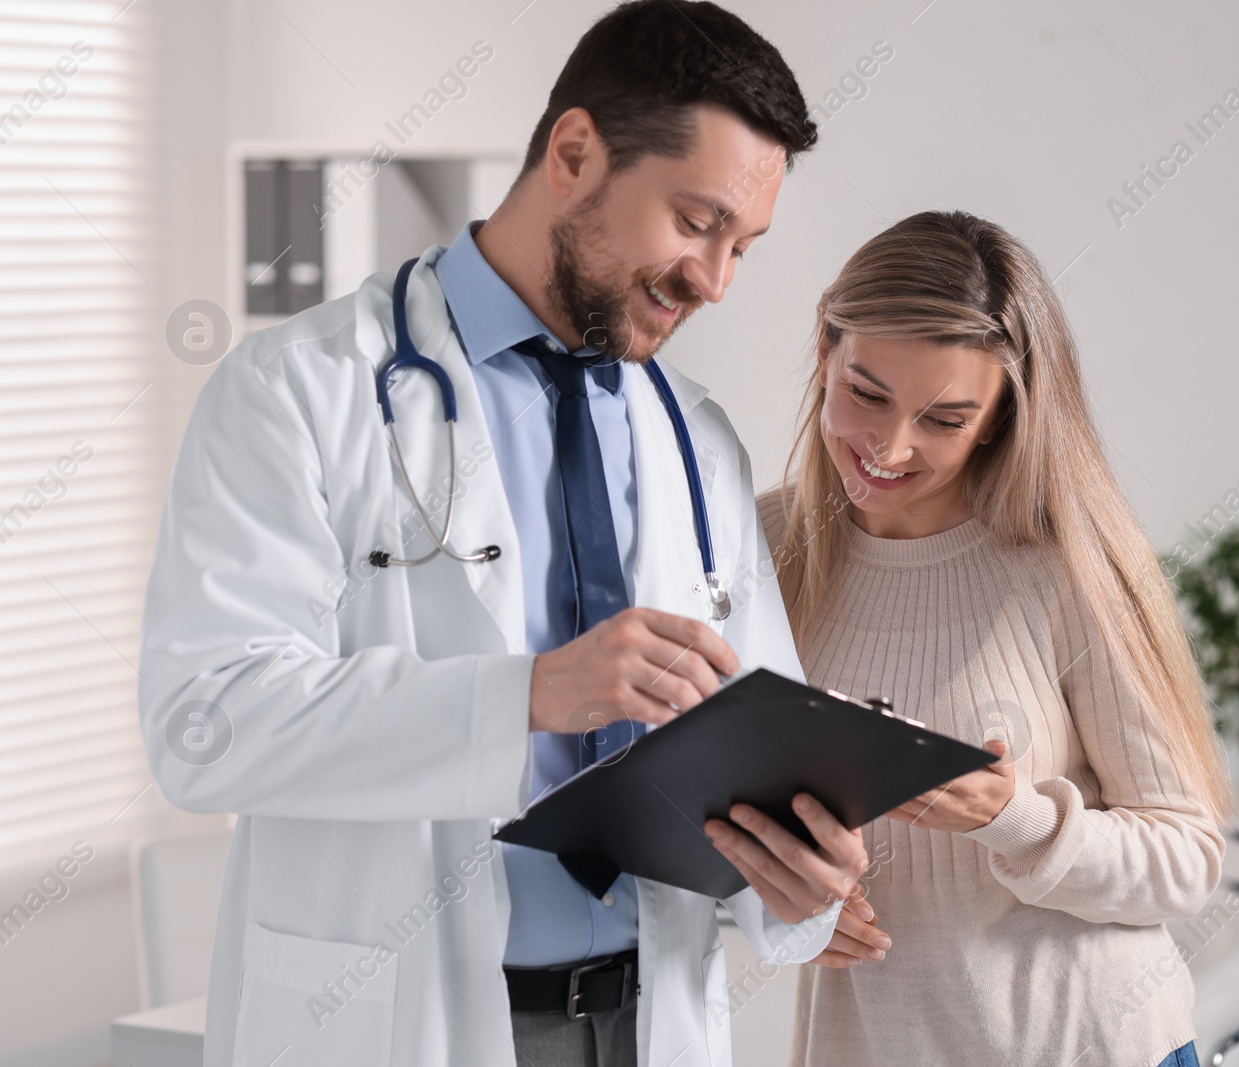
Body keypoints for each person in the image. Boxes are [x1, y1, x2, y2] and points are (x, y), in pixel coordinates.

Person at [138, 5, 871, 1066]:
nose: (712, 279)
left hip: (645, 1015)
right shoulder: (299, 390)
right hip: (401, 1019)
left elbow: (753, 729)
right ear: (574, 152)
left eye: (740, 247)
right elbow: (201, 723)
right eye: (695, 221)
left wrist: (798, 874)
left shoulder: (693, 437)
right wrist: (525, 694)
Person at [759, 210, 1234, 1067]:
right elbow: (699, 805)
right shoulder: (758, 547)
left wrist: (1015, 817)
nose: (889, 447)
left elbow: (1187, 858)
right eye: (866, 393)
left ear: (1001, 418)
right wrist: (777, 902)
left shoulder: (1064, 566)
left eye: (945, 419)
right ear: (826, 348)